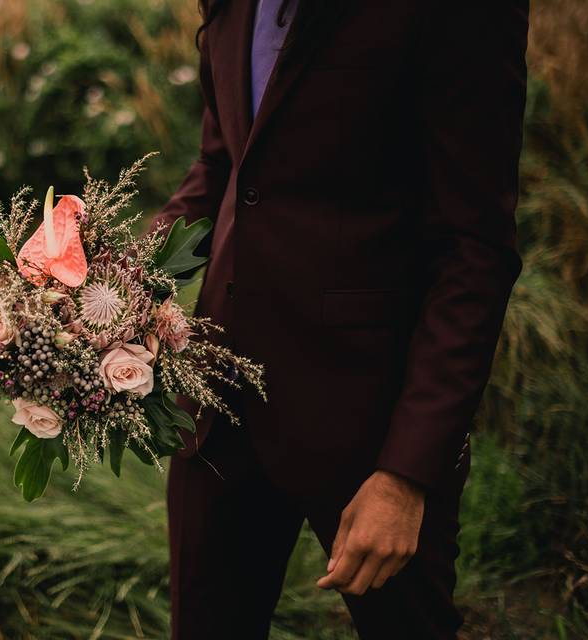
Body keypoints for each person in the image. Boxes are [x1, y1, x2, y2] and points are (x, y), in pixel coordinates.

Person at [150, 0, 530, 638]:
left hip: (369, 423)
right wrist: (108, 279)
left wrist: (407, 473)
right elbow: (225, 165)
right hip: (218, 407)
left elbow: (474, 252)